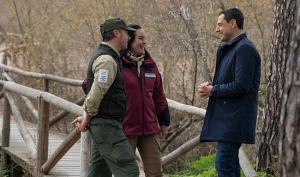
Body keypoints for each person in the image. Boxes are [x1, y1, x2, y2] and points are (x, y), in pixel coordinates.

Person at [72, 18, 139, 177]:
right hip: (107, 126)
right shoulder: (107, 60)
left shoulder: (109, 57)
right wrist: (86, 120)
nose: (129, 38)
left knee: (99, 172)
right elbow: (95, 94)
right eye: (126, 33)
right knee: (129, 171)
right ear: (116, 33)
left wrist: (87, 118)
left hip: (104, 125)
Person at [197, 8, 261, 177]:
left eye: (220, 25)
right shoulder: (232, 48)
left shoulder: (244, 49)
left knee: (225, 164)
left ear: (233, 23)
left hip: (235, 119)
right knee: (227, 164)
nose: (217, 29)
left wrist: (214, 90)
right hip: (228, 119)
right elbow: (231, 82)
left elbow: (241, 86)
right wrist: (210, 87)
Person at [121, 24, 170, 177]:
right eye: (140, 38)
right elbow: (90, 85)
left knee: (156, 173)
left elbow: (159, 96)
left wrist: (164, 122)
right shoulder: (116, 63)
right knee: (127, 174)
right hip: (125, 130)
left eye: (145, 38)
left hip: (149, 129)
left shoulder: (150, 65)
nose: (144, 42)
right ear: (129, 40)